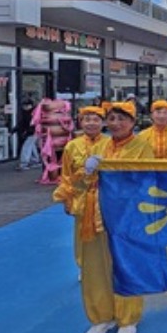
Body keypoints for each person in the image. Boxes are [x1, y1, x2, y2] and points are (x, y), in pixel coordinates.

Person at [77, 101, 155, 333]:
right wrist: (88, 173)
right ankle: (101, 317)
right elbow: (79, 182)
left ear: (133, 122)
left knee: (125, 266)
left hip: (127, 218)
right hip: (95, 215)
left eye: (123, 119)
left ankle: (128, 318)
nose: (117, 123)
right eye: (112, 118)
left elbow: (146, 180)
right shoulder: (98, 146)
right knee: (95, 268)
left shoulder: (142, 147)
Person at [52, 105, 108, 270]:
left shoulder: (110, 143)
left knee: (106, 233)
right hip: (81, 196)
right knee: (81, 234)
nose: (91, 124)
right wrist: (66, 199)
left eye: (96, 120)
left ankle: (107, 265)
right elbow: (67, 174)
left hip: (106, 196)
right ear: (80, 122)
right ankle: (84, 267)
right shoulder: (72, 146)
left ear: (103, 123)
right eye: (87, 120)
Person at [14, 99, 40, 170]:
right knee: (31, 146)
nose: (24, 107)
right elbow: (21, 123)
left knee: (27, 147)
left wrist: (26, 131)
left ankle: (24, 163)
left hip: (32, 132)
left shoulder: (31, 114)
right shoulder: (29, 113)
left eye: (26, 105)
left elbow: (30, 124)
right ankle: (35, 160)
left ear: (30, 106)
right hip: (32, 132)